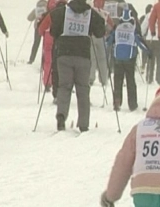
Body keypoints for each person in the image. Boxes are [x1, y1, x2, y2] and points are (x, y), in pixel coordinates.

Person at [49, 0, 105, 132]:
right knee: (83, 89)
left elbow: (53, 31)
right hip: (83, 55)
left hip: (64, 54)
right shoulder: (91, 13)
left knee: (64, 86)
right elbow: (100, 32)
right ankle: (83, 123)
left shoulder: (62, 11)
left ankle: (61, 117)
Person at [107, 9, 151, 112]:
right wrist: (148, 52)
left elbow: (109, 41)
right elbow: (139, 43)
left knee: (118, 80)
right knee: (130, 80)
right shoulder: (133, 29)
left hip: (117, 58)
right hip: (130, 59)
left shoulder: (117, 28)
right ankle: (132, 104)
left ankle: (117, 101)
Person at [89, 0, 114, 87]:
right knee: (102, 59)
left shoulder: (89, 11)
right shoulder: (105, 13)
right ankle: (103, 79)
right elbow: (111, 26)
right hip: (101, 37)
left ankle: (90, 78)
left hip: (91, 36)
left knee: (92, 58)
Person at [141, 4, 159, 84]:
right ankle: (159, 77)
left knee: (150, 59)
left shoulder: (148, 15)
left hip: (150, 39)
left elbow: (143, 27)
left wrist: (142, 35)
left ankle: (149, 77)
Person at [27, 0, 47, 64]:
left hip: (37, 27)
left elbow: (29, 18)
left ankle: (31, 59)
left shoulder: (36, 9)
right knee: (46, 44)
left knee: (36, 43)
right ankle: (45, 59)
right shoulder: (47, 8)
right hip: (46, 27)